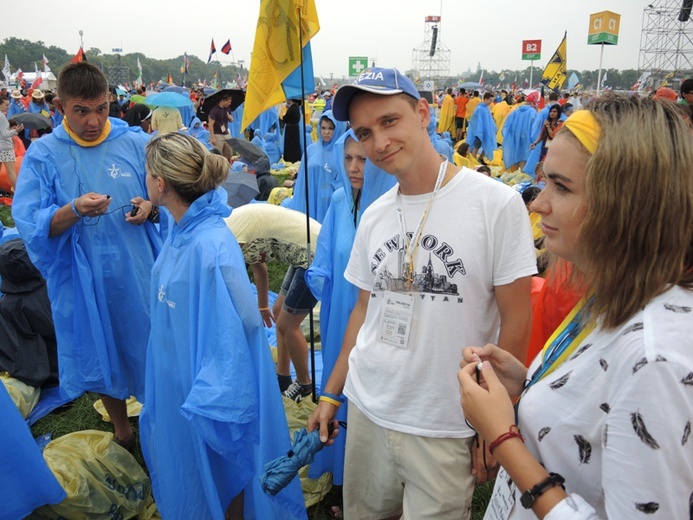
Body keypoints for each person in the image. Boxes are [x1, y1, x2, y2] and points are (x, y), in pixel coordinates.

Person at [308, 67, 537, 520]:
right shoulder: (374, 215)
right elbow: (363, 311)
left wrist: (495, 423)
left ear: (423, 113)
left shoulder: (496, 205)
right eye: (364, 132)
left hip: (445, 421)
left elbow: (516, 319)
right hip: (371, 406)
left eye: (389, 121)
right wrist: (332, 394)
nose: (378, 143)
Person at [458, 95, 693, 519]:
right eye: (545, 182)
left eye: (561, 187)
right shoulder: (615, 295)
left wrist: (501, 437)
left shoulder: (658, 359)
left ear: (627, 205)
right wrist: (529, 382)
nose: (538, 203)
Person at [138, 133, 306, 520]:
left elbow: (244, 322)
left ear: (161, 183)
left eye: (147, 174)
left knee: (224, 465)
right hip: (177, 374)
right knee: (193, 465)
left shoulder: (209, 244)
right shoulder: (182, 229)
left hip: (201, 385)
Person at [13, 61, 162, 450]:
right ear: (60, 106)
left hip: (137, 270)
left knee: (151, 341)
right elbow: (30, 221)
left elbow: (167, 194)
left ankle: (162, 418)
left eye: (101, 108)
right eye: (81, 111)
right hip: (83, 278)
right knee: (101, 350)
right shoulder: (45, 155)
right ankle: (123, 429)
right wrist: (72, 210)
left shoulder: (134, 143)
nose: (94, 121)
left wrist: (150, 207)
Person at [224, 204, 320, 402]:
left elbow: (230, 280)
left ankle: (304, 384)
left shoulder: (230, 236)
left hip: (314, 253)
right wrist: (263, 307)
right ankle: (282, 377)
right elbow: (259, 270)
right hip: (302, 252)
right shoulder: (231, 229)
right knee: (278, 312)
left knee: (287, 324)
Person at [282, 110, 347, 224]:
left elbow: (343, 183)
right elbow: (302, 179)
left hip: (327, 203)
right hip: (310, 199)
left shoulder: (342, 154)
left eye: (331, 128)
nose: (326, 132)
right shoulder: (310, 150)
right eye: (323, 128)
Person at [0, 97, 25, 188]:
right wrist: (16, 131)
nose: (8, 107)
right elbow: (5, 134)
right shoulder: (2, 116)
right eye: (6, 105)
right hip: (5, 147)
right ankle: (19, 193)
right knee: (11, 172)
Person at [207, 92, 235, 161]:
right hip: (217, 134)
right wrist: (212, 137)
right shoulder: (214, 110)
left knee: (229, 153)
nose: (230, 104)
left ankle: (227, 165)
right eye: (228, 102)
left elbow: (232, 120)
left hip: (226, 133)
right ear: (224, 100)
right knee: (218, 155)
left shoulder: (227, 109)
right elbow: (210, 124)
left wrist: (230, 118)